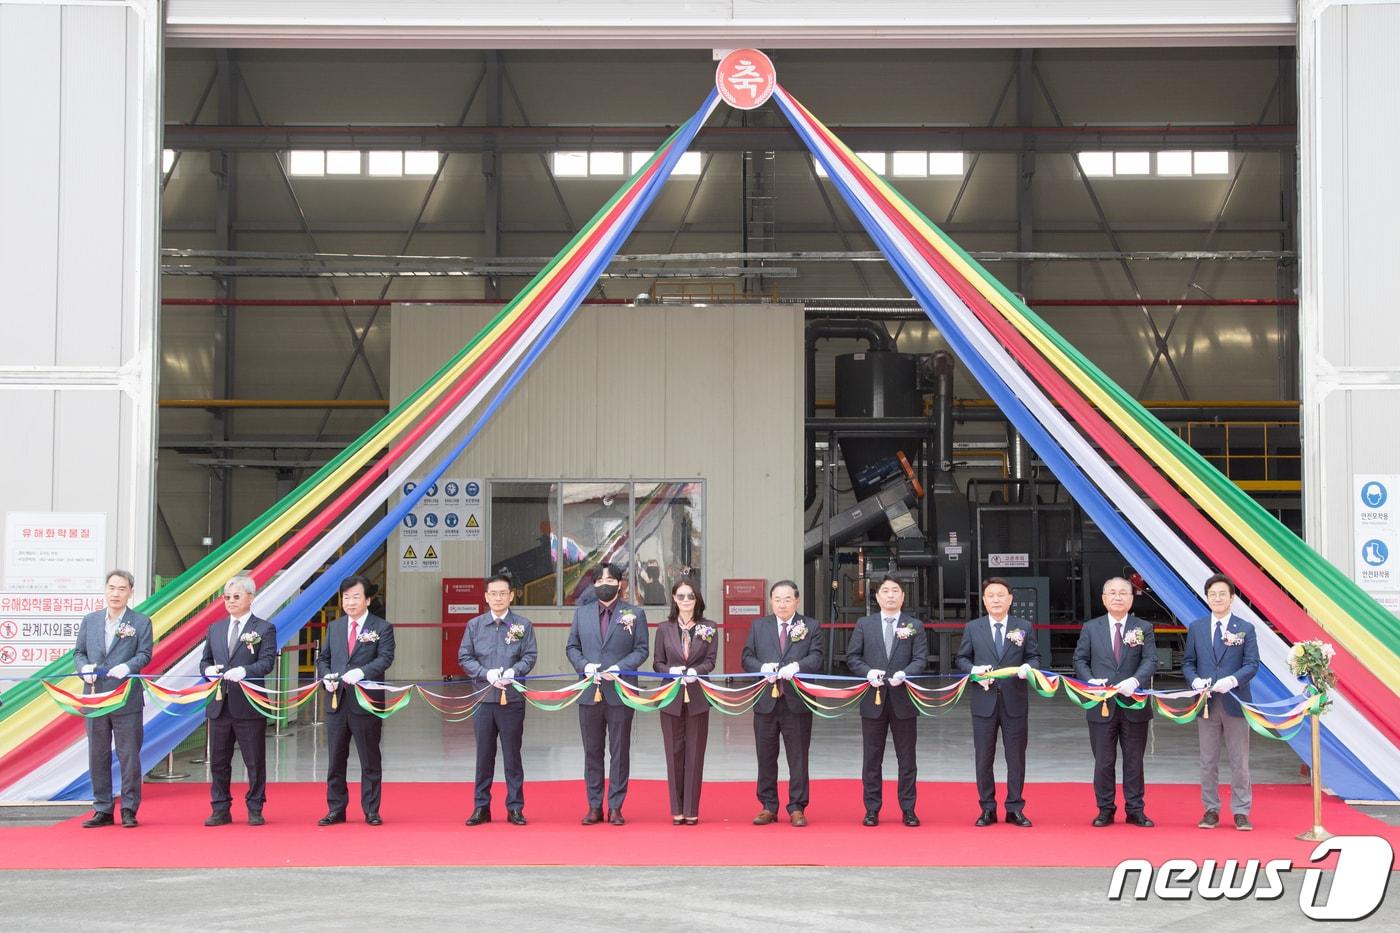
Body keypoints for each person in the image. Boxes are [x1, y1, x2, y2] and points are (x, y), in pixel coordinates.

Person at [565, 563, 649, 825]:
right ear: (593, 585)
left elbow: (641, 649)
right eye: (600, 580)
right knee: (592, 751)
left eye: (610, 579)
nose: (605, 584)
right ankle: (594, 806)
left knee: (619, 751)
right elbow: (572, 647)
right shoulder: (581, 614)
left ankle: (615, 806)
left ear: (620, 583)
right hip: (590, 691)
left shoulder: (634, 614)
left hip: (620, 691)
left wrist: (620, 668)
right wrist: (584, 666)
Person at [1072, 576, 1158, 827]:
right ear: (1104, 598)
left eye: (1123, 593)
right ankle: (1105, 809)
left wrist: (1135, 681)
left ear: (1131, 599)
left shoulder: (1143, 627)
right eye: (1112, 593)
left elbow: (1150, 660)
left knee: (1134, 761)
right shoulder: (1091, 628)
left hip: (1134, 703)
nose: (1118, 597)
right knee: (1103, 761)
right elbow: (1079, 660)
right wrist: (1091, 681)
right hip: (1101, 704)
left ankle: (1135, 809)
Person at [955, 576, 1041, 827]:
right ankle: (987, 808)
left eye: (1000, 595)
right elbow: (961, 659)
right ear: (984, 600)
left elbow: (1034, 657)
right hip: (984, 702)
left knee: (1016, 758)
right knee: (984, 757)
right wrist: (974, 671)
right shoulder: (974, 628)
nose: (996, 600)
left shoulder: (1023, 626)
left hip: (1015, 701)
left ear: (1010, 599)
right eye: (990, 596)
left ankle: (1015, 808)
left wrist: (1028, 668)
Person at [74, 569, 154, 829]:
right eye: (111, 588)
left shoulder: (141, 622)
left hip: (126, 698)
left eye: (121, 589)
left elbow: (145, 654)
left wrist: (127, 667)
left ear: (130, 592)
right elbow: (79, 653)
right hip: (95, 697)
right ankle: (102, 808)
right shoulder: (90, 620)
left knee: (128, 755)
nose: (115, 593)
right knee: (97, 754)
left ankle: (129, 809)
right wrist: (84, 668)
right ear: (105, 590)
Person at [846, 575, 927, 827]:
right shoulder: (864, 624)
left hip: (904, 701)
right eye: (885, 591)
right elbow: (853, 657)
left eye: (895, 591)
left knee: (907, 759)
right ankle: (872, 809)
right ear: (877, 596)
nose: (890, 595)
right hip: (874, 699)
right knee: (872, 759)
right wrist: (868, 672)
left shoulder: (914, 625)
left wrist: (906, 673)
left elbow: (921, 659)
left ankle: (908, 809)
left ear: (903, 596)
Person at [741, 579, 824, 827]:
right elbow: (746, 657)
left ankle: (797, 807)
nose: (782, 604)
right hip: (765, 702)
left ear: (797, 601)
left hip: (797, 702)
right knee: (765, 756)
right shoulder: (759, 626)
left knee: (798, 756)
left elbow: (817, 657)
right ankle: (768, 806)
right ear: (771, 601)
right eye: (777, 599)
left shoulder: (810, 626)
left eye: (788, 599)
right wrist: (761, 668)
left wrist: (798, 666)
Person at [315, 574, 396, 826]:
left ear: (368, 600)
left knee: (369, 759)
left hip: (366, 702)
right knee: (335, 760)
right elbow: (323, 659)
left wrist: (362, 672)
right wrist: (326, 676)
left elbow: (385, 658)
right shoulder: (335, 627)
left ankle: (371, 810)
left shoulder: (381, 627)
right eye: (346, 597)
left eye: (356, 597)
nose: (350, 603)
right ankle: (336, 809)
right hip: (337, 701)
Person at [1181, 573, 1260, 831]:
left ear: (1232, 598)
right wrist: (1194, 680)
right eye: (1212, 594)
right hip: (1206, 703)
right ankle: (1211, 809)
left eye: (1222, 594)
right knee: (1208, 760)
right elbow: (1188, 662)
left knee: (1240, 760)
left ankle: (1241, 811)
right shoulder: (1197, 628)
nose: (1217, 598)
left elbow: (1252, 664)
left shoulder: (1245, 628)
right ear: (1207, 598)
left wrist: (1233, 681)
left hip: (1235, 701)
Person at [198, 573, 278, 826]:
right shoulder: (216, 628)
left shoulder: (264, 628)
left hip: (249, 704)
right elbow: (205, 660)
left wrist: (245, 670)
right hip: (220, 704)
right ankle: (220, 807)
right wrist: (207, 670)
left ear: (251, 598)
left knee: (254, 760)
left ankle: (255, 807)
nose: (231, 601)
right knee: (219, 761)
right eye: (227, 597)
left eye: (236, 596)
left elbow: (267, 663)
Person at [459, 573, 538, 827]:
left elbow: (530, 655)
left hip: (511, 700)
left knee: (512, 755)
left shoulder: (523, 625)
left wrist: (515, 671)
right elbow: (464, 657)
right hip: (483, 699)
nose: (498, 598)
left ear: (512, 595)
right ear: (486, 597)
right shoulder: (474, 625)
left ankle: (515, 807)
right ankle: (481, 807)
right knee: (484, 756)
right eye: (493, 593)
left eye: (503, 593)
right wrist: (485, 673)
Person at [652, 577, 718, 825]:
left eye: (691, 595)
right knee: (674, 753)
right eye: (681, 596)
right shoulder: (664, 628)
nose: (686, 600)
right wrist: (670, 671)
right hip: (670, 697)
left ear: (697, 598)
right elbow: (657, 662)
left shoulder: (709, 627)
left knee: (695, 754)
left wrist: (696, 671)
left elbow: (711, 661)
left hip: (698, 696)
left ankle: (691, 810)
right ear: (674, 599)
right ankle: (676, 810)